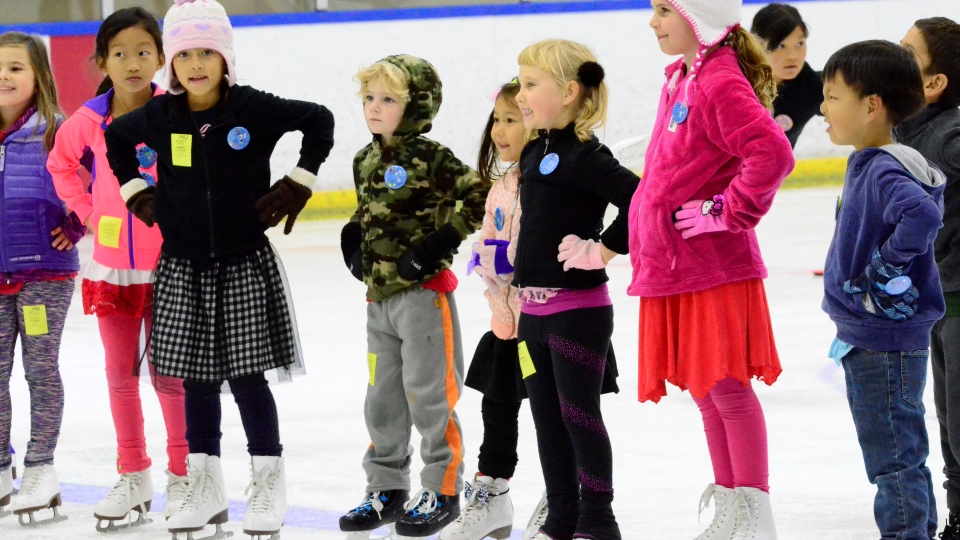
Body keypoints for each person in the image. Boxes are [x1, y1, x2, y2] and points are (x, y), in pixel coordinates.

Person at [103, 0, 335, 538]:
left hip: (243, 262)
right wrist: (137, 193)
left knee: (248, 379)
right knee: (197, 381)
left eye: (208, 52)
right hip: (183, 266)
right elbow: (116, 139)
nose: (197, 64)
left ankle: (267, 481)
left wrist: (300, 179)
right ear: (172, 64)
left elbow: (318, 120)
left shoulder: (252, 107)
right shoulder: (161, 115)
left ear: (226, 57)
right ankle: (205, 488)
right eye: (186, 54)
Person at [633, 2, 796, 539]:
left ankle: (754, 511)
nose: (653, 22)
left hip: (714, 267)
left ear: (697, 14)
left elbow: (771, 153)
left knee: (724, 388)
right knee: (705, 391)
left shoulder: (718, 78)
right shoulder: (683, 76)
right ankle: (732, 502)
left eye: (663, 10)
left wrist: (725, 210)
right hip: (680, 266)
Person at [47, 8, 189, 530]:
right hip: (111, 270)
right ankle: (134, 472)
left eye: (143, 52)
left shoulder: (176, 112)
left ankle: (183, 474)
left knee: (170, 377)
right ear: (102, 61)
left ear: (161, 57)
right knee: (119, 374)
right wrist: (86, 212)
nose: (132, 64)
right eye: (120, 54)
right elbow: (61, 165)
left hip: (171, 266)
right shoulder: (87, 120)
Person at [337, 55, 487, 538]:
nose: (374, 109)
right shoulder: (364, 158)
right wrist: (353, 238)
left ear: (416, 105)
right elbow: (368, 210)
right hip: (378, 302)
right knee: (382, 398)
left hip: (422, 298)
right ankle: (386, 488)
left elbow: (479, 196)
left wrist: (439, 243)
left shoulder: (431, 157)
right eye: (368, 99)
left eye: (388, 100)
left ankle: (443, 488)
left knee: (430, 396)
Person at [512, 38, 638, 540]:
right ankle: (561, 517)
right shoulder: (534, 148)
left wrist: (603, 249)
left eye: (529, 85)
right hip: (531, 317)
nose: (520, 96)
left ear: (568, 91)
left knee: (579, 416)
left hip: (577, 314)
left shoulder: (586, 155)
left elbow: (640, 199)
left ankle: (598, 520)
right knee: (545, 419)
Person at [821, 39, 943, 540]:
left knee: (893, 457)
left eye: (832, 96)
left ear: (872, 105)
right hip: (872, 334)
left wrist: (883, 268)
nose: (823, 108)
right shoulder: (873, 161)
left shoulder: (885, 167)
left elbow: (922, 213)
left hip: (881, 340)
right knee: (899, 452)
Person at [0, 31, 80, 527]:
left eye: (15, 68)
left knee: (39, 369)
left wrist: (76, 224)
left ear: (39, 77)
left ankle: (40, 467)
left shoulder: (58, 130)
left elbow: (94, 184)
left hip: (43, 273)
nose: (4, 77)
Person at [897, 16, 960, 538]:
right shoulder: (904, 130)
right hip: (936, 307)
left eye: (907, 56)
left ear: (933, 85)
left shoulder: (949, 135)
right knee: (946, 423)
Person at [751, 3, 823, 148]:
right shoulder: (735, 81)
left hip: (770, 169)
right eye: (779, 46)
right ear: (756, 45)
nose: (793, 56)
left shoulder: (813, 87)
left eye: (799, 43)